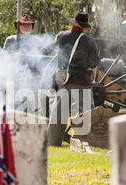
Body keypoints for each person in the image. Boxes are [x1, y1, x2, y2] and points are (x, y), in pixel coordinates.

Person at [42, 12, 100, 146]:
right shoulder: (89, 41)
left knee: (58, 114)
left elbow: (49, 49)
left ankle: (53, 142)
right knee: (87, 113)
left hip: (64, 80)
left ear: (73, 23)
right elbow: (94, 63)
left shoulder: (62, 36)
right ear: (84, 26)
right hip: (81, 81)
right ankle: (89, 142)